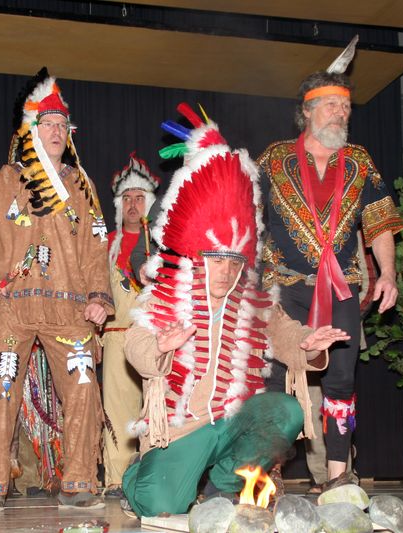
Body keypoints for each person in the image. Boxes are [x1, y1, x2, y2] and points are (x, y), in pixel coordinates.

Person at [121, 104, 349, 518]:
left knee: (286, 410)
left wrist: (310, 344)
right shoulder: (168, 295)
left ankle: (226, 486)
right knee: (157, 505)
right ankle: (139, 475)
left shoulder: (252, 301)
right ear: (196, 257)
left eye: (233, 261)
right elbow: (135, 344)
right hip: (181, 428)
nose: (226, 271)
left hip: (233, 421)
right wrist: (159, 346)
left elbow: (286, 333)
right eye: (216, 260)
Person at [258, 37, 403, 490]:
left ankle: (339, 478)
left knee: (341, 380)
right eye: (331, 106)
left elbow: (379, 222)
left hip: (342, 287)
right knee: (276, 379)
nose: (341, 114)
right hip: (283, 288)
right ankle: (264, 475)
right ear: (307, 111)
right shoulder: (273, 159)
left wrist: (388, 274)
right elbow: (244, 220)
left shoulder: (359, 162)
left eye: (346, 108)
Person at [0, 67, 113, 512]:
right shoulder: (2, 183)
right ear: (30, 131)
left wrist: (99, 297)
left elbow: (96, 250)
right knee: (1, 389)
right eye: (47, 124)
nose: (56, 131)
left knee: (84, 387)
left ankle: (79, 481)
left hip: (69, 310)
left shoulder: (82, 187)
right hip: (13, 306)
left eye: (63, 125)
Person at [102, 153, 160, 498]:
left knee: (158, 411)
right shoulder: (106, 245)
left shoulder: (163, 243)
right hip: (117, 335)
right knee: (119, 412)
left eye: (140, 197)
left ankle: (155, 478)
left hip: (158, 339)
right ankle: (116, 479)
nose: (133, 204)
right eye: (127, 198)